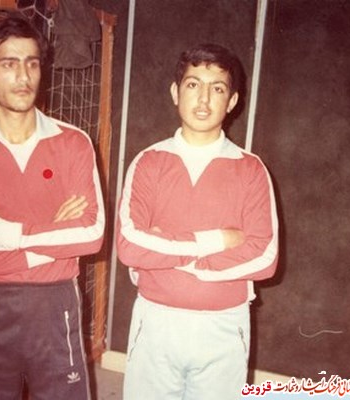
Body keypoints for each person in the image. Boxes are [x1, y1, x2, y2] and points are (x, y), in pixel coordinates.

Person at [0, 14, 104, 400]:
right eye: (8, 64)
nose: (23, 76)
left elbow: (91, 235)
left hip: (56, 303)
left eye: (32, 63)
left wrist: (2, 233)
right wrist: (51, 245)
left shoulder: (73, 142)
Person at [116, 43, 279, 400]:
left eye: (217, 88)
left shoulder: (251, 170)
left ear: (232, 101)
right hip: (156, 321)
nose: (204, 99)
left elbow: (264, 257)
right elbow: (129, 246)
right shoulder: (149, 161)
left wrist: (168, 253)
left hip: (224, 326)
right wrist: (218, 240)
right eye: (193, 85)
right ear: (176, 93)